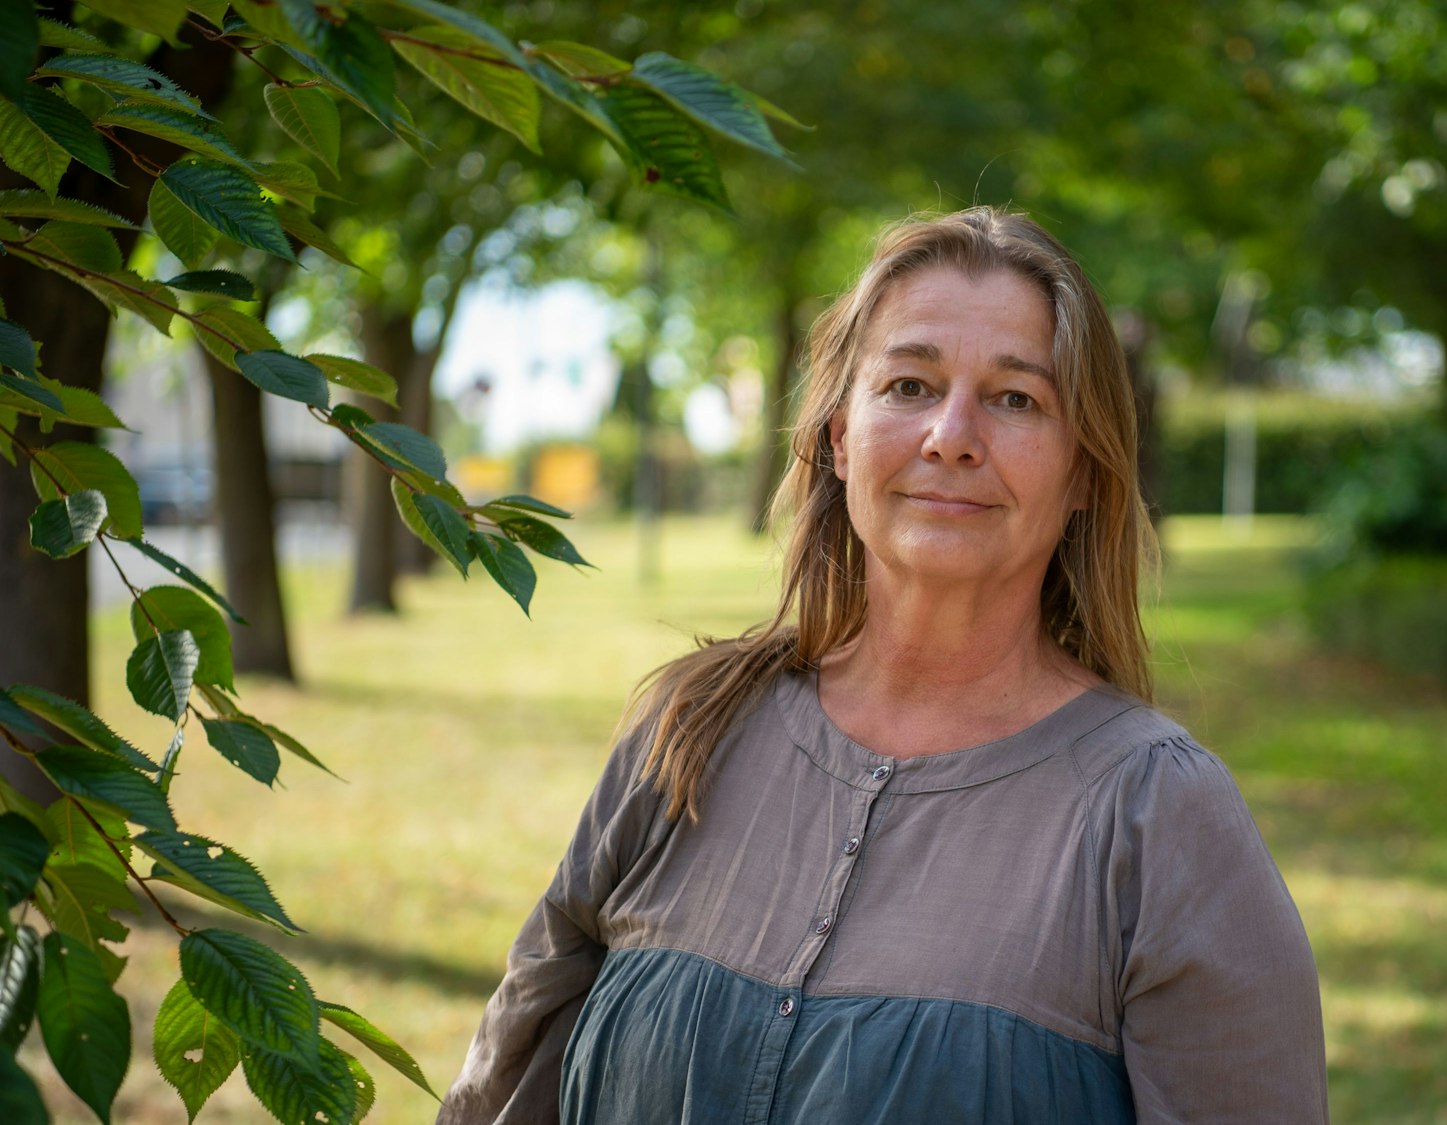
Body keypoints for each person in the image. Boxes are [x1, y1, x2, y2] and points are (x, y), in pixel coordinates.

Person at [438, 207, 1327, 1124]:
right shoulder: (688, 731)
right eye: (908, 384)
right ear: (837, 437)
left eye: (1016, 398)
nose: (952, 434)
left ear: (1085, 479)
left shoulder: (1159, 817)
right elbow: (500, 1090)